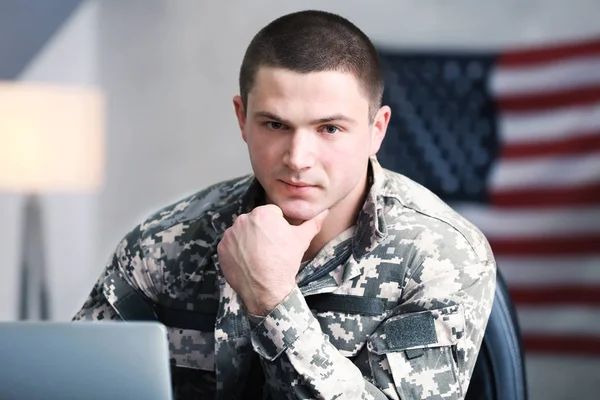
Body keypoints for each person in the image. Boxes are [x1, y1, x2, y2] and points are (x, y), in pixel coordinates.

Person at [74, 9, 496, 400]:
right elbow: (69, 379)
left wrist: (272, 299)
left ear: (376, 130)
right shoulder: (163, 244)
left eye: (329, 128)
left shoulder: (443, 255)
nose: (297, 158)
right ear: (242, 118)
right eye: (275, 124)